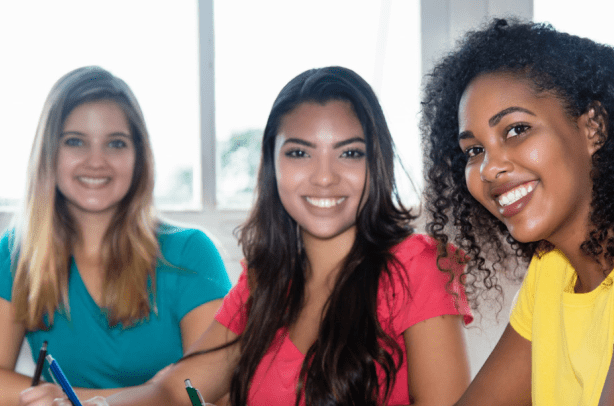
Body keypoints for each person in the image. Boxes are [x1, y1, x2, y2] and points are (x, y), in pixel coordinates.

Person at [66, 66, 473, 406]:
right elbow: (176, 388)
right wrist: (86, 404)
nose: (325, 176)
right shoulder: (265, 279)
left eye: (349, 153)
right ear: (271, 164)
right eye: (299, 152)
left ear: (377, 161)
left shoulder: (418, 265)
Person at [422, 18, 614, 405]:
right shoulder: (551, 272)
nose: (488, 168)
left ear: (593, 129)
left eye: (516, 130)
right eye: (473, 150)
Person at [0, 66, 232, 405]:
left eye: (115, 144)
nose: (96, 161)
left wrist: (76, 400)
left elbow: (216, 394)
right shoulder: (18, 254)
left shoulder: (191, 253)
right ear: (49, 154)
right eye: (75, 142)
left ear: (139, 156)